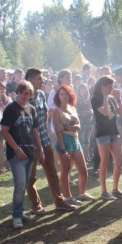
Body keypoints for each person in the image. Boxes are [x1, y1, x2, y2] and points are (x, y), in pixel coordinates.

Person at [25, 68, 76, 214]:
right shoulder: (24, 97)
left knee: (52, 172)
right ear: (30, 80)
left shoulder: (41, 94)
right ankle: (36, 205)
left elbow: (46, 113)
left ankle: (59, 201)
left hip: (45, 139)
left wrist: (45, 130)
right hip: (30, 143)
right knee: (31, 176)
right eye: (39, 79)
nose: (43, 81)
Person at [0, 81, 45, 229]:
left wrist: (40, 149)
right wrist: (17, 149)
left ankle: (20, 212)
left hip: (30, 152)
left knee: (25, 184)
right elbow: (5, 131)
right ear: (18, 92)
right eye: (23, 93)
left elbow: (35, 131)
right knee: (20, 185)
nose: (25, 96)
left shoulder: (32, 109)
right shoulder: (11, 108)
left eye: (28, 93)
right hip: (16, 154)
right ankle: (16, 216)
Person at [52, 85, 95, 205]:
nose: (64, 96)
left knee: (83, 170)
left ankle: (82, 194)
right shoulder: (56, 110)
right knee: (66, 170)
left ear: (70, 95)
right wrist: (62, 149)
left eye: (66, 94)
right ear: (58, 96)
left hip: (75, 139)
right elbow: (58, 131)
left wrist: (67, 127)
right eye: (61, 94)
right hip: (64, 141)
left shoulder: (72, 108)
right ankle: (68, 197)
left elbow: (79, 126)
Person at [92, 76, 122, 200]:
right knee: (105, 162)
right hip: (102, 133)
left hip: (114, 132)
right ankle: (104, 191)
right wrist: (105, 97)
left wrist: (118, 99)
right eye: (110, 87)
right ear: (103, 86)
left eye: (113, 87)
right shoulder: (95, 99)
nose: (112, 89)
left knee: (118, 161)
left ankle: (115, 189)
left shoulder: (111, 98)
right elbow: (106, 113)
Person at [76, 81, 94, 162]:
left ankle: (87, 156)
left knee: (87, 139)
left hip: (89, 121)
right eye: (82, 88)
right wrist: (82, 113)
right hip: (81, 122)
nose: (84, 90)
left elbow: (91, 108)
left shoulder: (89, 99)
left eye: (85, 88)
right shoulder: (77, 99)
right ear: (79, 90)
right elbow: (75, 110)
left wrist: (90, 111)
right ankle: (81, 157)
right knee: (81, 139)